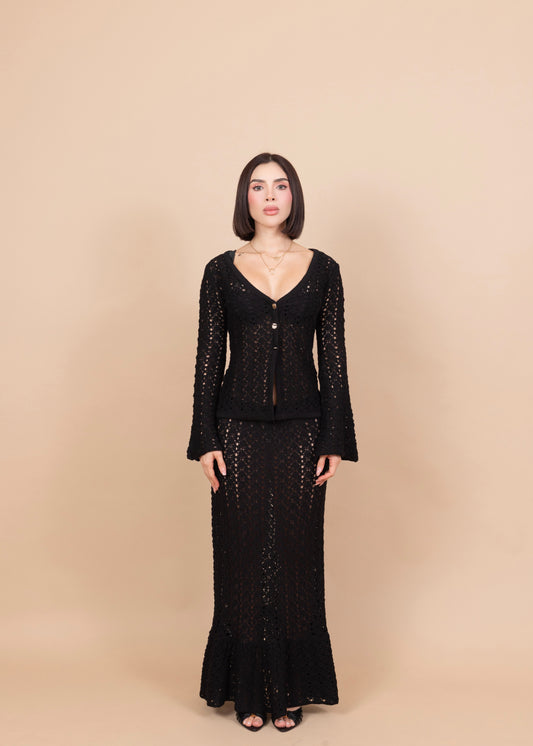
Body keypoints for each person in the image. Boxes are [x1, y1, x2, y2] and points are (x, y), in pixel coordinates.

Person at [187, 152, 358, 732]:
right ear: (246, 198)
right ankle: (248, 692)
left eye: (280, 186)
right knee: (240, 554)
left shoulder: (324, 269)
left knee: (296, 554)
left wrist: (334, 436)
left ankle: (289, 690)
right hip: (235, 429)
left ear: (293, 196)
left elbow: (333, 360)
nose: (269, 196)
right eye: (258, 186)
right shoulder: (220, 271)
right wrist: (205, 438)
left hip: (304, 431)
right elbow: (208, 360)